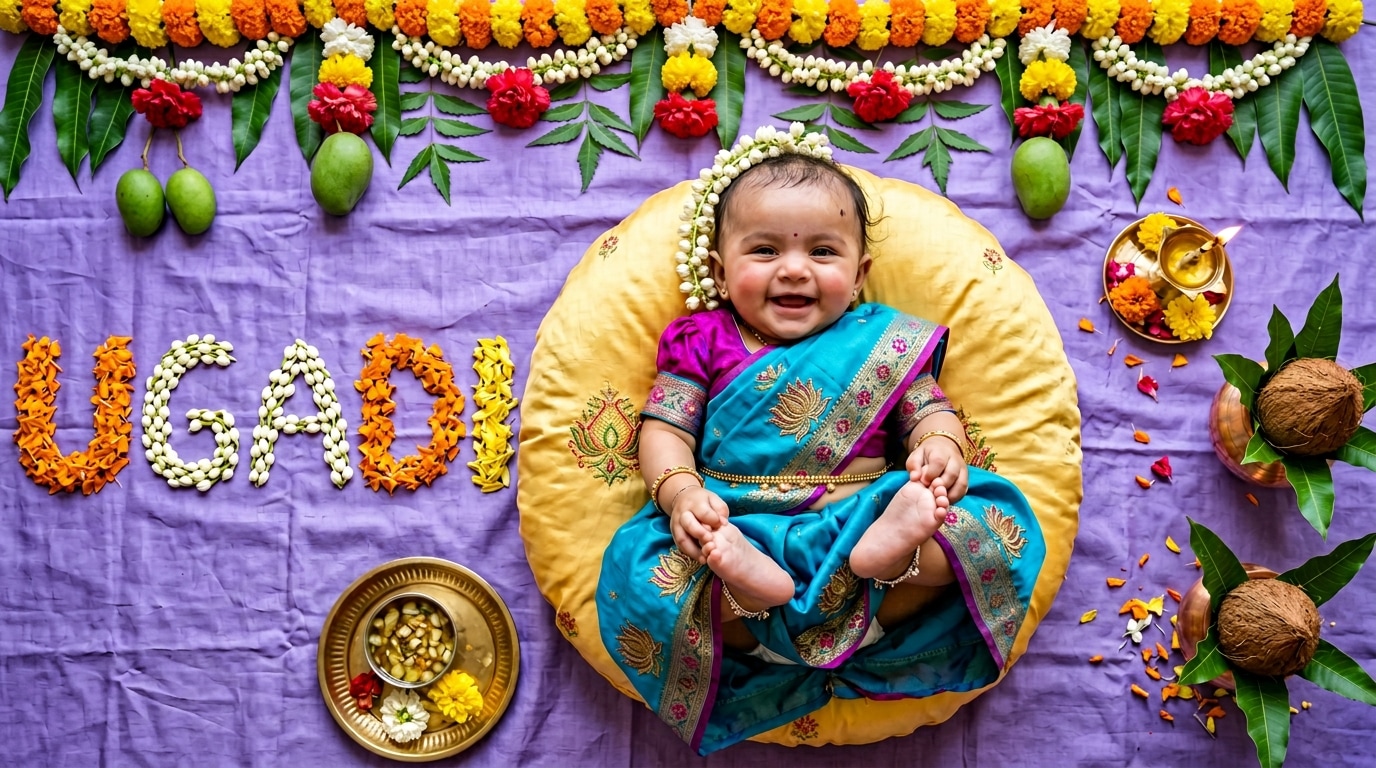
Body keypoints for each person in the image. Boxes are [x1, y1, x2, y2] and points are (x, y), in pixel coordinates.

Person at [596, 153, 1045, 755]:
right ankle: (750, 589)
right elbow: (663, 430)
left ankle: (892, 557)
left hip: (862, 516)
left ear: (859, 275)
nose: (793, 270)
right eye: (764, 250)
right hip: (736, 523)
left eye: (823, 252)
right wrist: (681, 495)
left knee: (993, 523)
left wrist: (940, 446)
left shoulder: (884, 338)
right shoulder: (701, 338)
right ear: (720, 271)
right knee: (636, 571)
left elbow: (928, 411)